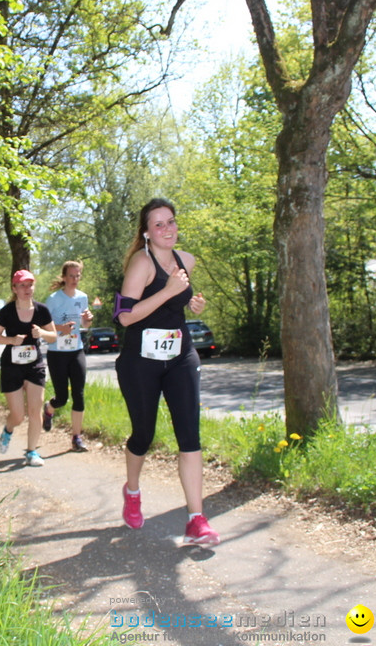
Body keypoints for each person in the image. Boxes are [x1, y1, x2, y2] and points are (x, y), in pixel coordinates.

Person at [113, 198, 220, 545]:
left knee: (190, 434)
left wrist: (190, 301)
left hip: (180, 355)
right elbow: (125, 316)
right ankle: (132, 491)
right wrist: (170, 291)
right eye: (158, 225)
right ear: (146, 232)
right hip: (140, 361)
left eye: (170, 221)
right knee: (143, 434)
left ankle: (196, 519)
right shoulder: (140, 264)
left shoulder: (186, 260)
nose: (167, 229)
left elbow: (178, 298)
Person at [0, 269, 57, 467]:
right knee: (18, 415)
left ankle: (31, 451)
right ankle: (8, 430)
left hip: (34, 365)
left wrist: (42, 333)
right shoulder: (7, 311)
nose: (27, 289)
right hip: (12, 366)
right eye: (22, 285)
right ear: (15, 288)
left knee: (35, 411)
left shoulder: (41, 310)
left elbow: (53, 336)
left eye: (29, 285)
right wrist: (11, 339)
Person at [43, 260, 93, 452]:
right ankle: (49, 408)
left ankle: (76, 438)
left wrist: (88, 321)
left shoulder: (83, 297)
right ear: (64, 278)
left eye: (77, 275)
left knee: (79, 395)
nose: (74, 279)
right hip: (57, 353)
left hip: (76, 350)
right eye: (71, 276)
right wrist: (61, 328)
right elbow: (45, 327)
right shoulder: (54, 299)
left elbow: (85, 326)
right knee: (62, 398)